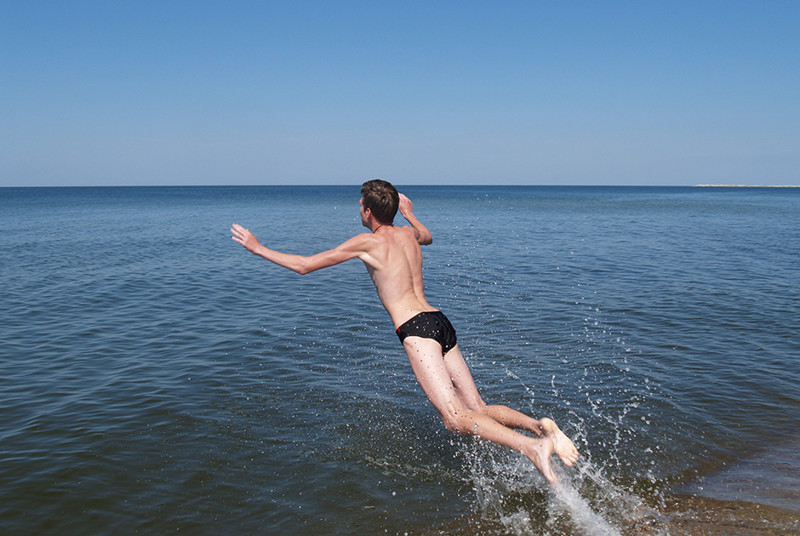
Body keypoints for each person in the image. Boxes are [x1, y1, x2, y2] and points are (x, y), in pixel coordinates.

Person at [231, 179, 578, 484]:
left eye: (361, 207)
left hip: (416, 329)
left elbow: (305, 266)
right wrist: (410, 214)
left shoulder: (368, 243)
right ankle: (541, 427)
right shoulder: (409, 234)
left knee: (455, 419)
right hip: (440, 321)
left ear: (368, 212)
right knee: (477, 408)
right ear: (395, 209)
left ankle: (533, 448)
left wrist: (258, 248)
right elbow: (427, 235)